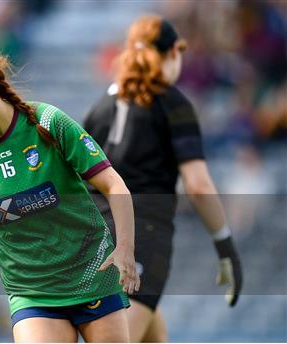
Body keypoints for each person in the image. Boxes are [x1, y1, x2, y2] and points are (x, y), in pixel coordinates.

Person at [0, 37, 140, 342]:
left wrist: (125, 249)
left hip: (94, 274)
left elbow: (113, 184)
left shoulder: (48, 122)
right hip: (33, 295)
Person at [83, 15, 243, 342]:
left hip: (92, 240)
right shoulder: (173, 104)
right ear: (172, 54)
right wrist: (225, 245)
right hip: (143, 241)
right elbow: (198, 185)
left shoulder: (99, 108)